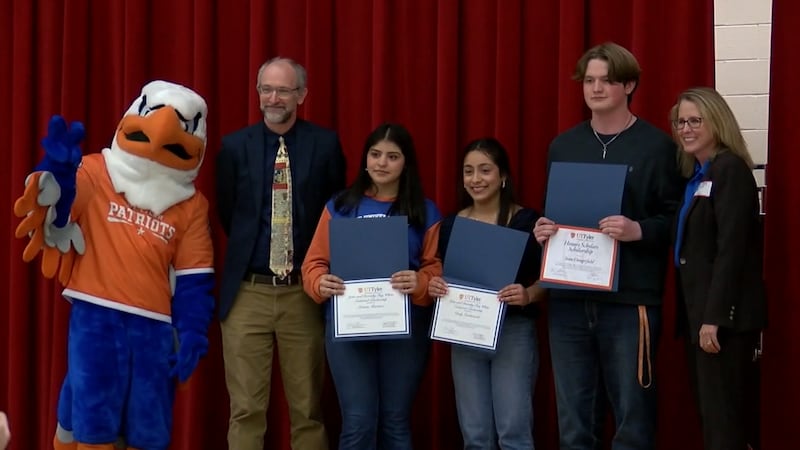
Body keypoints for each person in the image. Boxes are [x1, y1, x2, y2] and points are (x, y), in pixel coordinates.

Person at [532, 42, 684, 449]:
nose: (595, 89)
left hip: (629, 300)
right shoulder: (563, 146)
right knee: (574, 420)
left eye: (607, 81)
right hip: (568, 300)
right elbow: (556, 213)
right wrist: (543, 230)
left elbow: (678, 221)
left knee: (633, 418)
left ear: (629, 84)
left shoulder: (657, 147)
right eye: (589, 80)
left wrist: (638, 229)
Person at [216, 57, 346, 450]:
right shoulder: (234, 146)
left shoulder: (325, 145)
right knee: (246, 410)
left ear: (301, 96)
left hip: (302, 293)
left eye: (283, 90)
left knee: (307, 410)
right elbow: (228, 212)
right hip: (247, 293)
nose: (273, 98)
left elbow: (334, 212)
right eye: (265, 89)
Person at [301, 122, 441, 450]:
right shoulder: (340, 206)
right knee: (358, 421)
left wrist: (420, 281)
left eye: (392, 156)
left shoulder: (425, 210)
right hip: (349, 324)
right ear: (365, 159)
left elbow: (435, 271)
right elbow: (313, 264)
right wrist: (320, 282)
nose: (381, 162)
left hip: (405, 328)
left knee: (395, 420)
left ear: (406, 163)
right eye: (375, 154)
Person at [427, 138, 546, 449]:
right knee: (475, 435)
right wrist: (436, 284)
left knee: (514, 432)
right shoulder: (452, 224)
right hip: (465, 332)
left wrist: (528, 294)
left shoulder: (527, 223)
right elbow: (440, 272)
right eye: (468, 172)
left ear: (502, 176)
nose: (476, 179)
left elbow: (551, 279)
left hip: (513, 331)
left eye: (484, 170)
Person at [670, 87, 767, 450]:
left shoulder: (730, 170)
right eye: (681, 122)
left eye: (696, 120)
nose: (686, 128)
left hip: (724, 322)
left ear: (718, 122)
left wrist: (715, 318)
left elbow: (732, 251)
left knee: (726, 426)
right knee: (712, 421)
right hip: (701, 317)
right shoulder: (697, 176)